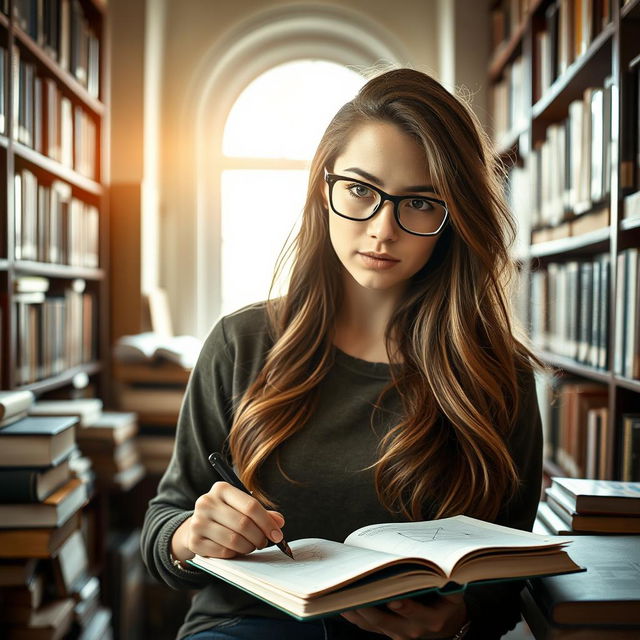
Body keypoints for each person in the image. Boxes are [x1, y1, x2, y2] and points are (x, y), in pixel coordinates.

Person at [141, 66, 544, 640]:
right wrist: (189, 537)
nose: (383, 229)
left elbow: (513, 575)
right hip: (243, 628)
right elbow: (163, 527)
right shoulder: (242, 342)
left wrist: (460, 619)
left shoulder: (500, 375)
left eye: (421, 203)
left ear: (454, 219)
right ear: (324, 189)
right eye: (360, 190)